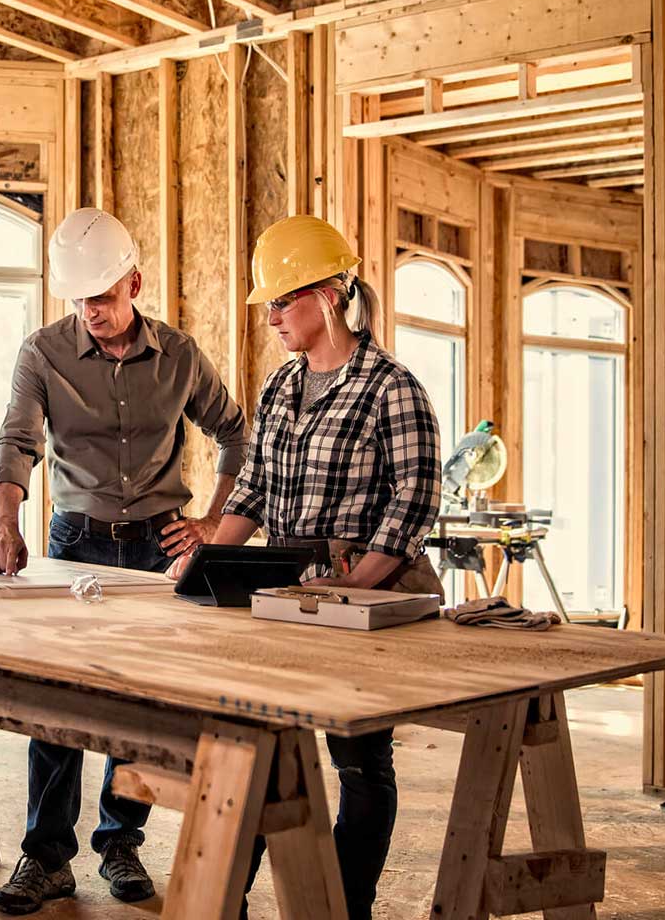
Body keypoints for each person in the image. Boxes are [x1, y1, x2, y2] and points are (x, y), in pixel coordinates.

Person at [171, 214, 443, 919]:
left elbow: (413, 504)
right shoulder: (281, 389)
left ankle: (346, 907)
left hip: (364, 598)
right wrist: (209, 560)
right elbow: (255, 489)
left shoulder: (392, 388)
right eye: (267, 304)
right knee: (257, 750)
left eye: (281, 301)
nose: (270, 318)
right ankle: (227, 900)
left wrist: (350, 592)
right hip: (288, 594)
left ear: (328, 296)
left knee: (359, 760)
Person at [0, 207, 249, 915]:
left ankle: (120, 843)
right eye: (79, 301)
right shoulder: (42, 353)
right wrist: (5, 521)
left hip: (160, 551)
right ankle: (45, 859)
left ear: (135, 282)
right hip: (75, 544)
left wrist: (215, 521)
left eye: (102, 298)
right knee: (56, 704)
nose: (91, 313)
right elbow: (17, 442)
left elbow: (236, 436)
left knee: (136, 706)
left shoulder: (182, 357)